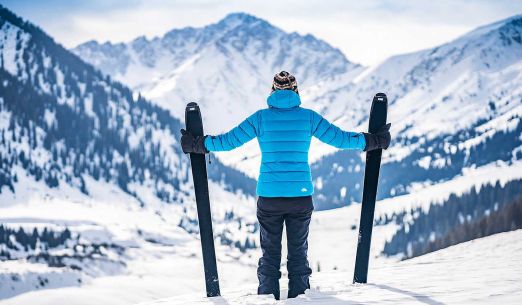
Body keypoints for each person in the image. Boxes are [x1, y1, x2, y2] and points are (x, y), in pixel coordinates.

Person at [180, 71, 391, 300]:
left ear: (272, 92)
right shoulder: (308, 117)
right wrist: (374, 140)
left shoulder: (260, 118)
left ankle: (266, 299)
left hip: (269, 198)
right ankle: (300, 299)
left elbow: (228, 141)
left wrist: (198, 144)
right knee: (298, 255)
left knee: (269, 256)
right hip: (300, 198)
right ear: (296, 91)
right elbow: (340, 139)